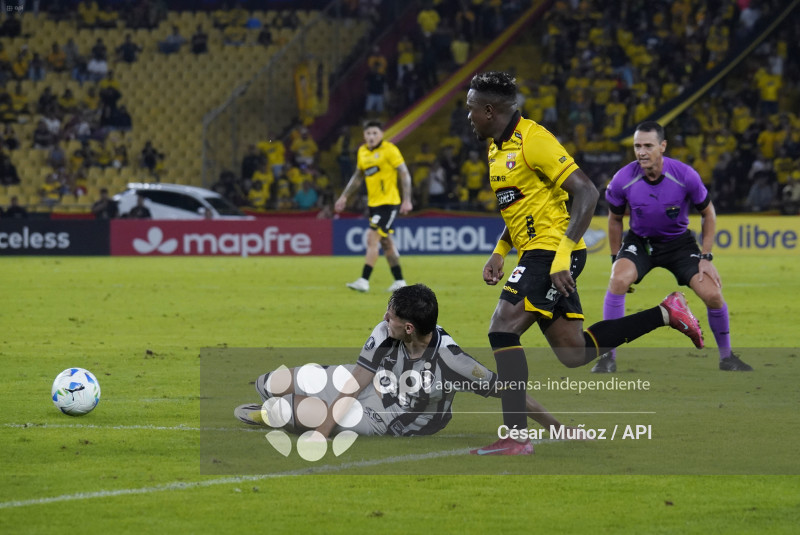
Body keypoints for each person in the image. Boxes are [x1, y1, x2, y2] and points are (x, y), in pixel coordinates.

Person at [465, 72, 705, 455]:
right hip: (537, 250)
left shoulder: (535, 140)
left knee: (502, 328)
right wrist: (500, 249)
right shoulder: (497, 149)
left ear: (490, 110)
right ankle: (666, 313)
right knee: (574, 352)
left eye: (471, 109)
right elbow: (521, 209)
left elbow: (587, 192)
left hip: (553, 251)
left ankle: (514, 437)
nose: (469, 116)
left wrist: (561, 256)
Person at [234, 284, 574, 444]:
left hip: (389, 419)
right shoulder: (386, 331)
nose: (385, 318)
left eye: (392, 315)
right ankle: (280, 408)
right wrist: (325, 425)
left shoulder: (451, 361)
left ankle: (278, 414)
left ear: (409, 328)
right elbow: (358, 380)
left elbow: (510, 392)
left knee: (290, 409)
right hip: (370, 387)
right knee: (269, 383)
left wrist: (557, 427)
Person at [593, 121, 753, 374]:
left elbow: (708, 213)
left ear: (663, 146)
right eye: (637, 146)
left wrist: (706, 257)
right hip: (641, 243)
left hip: (679, 244)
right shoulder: (622, 179)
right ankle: (607, 359)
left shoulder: (685, 175)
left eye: (648, 145)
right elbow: (614, 219)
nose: (642, 152)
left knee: (713, 295)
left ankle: (727, 358)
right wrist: (616, 257)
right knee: (618, 280)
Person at [334, 120, 413, 293]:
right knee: (386, 243)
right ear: (364, 135)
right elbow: (357, 177)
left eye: (375, 133)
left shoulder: (390, 150)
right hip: (374, 204)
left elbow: (404, 173)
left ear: (381, 134)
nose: (371, 137)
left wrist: (407, 199)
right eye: (368, 134)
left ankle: (364, 280)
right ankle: (400, 281)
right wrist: (344, 197)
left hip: (389, 203)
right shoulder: (362, 152)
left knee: (372, 237)